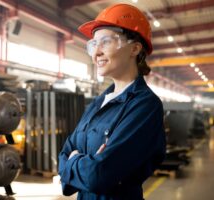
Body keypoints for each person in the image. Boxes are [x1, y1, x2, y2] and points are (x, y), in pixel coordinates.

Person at [58, 3, 166, 200]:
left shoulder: (145, 106)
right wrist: (82, 162)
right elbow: (63, 155)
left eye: (105, 42)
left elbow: (99, 175)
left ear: (134, 48)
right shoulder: (99, 103)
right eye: (93, 44)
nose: (96, 52)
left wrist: (74, 160)